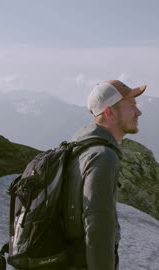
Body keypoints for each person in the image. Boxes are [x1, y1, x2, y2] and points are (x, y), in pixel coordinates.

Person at [63, 80, 145, 270]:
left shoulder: (80, 146)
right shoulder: (102, 156)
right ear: (109, 113)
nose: (138, 112)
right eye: (132, 105)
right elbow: (97, 227)